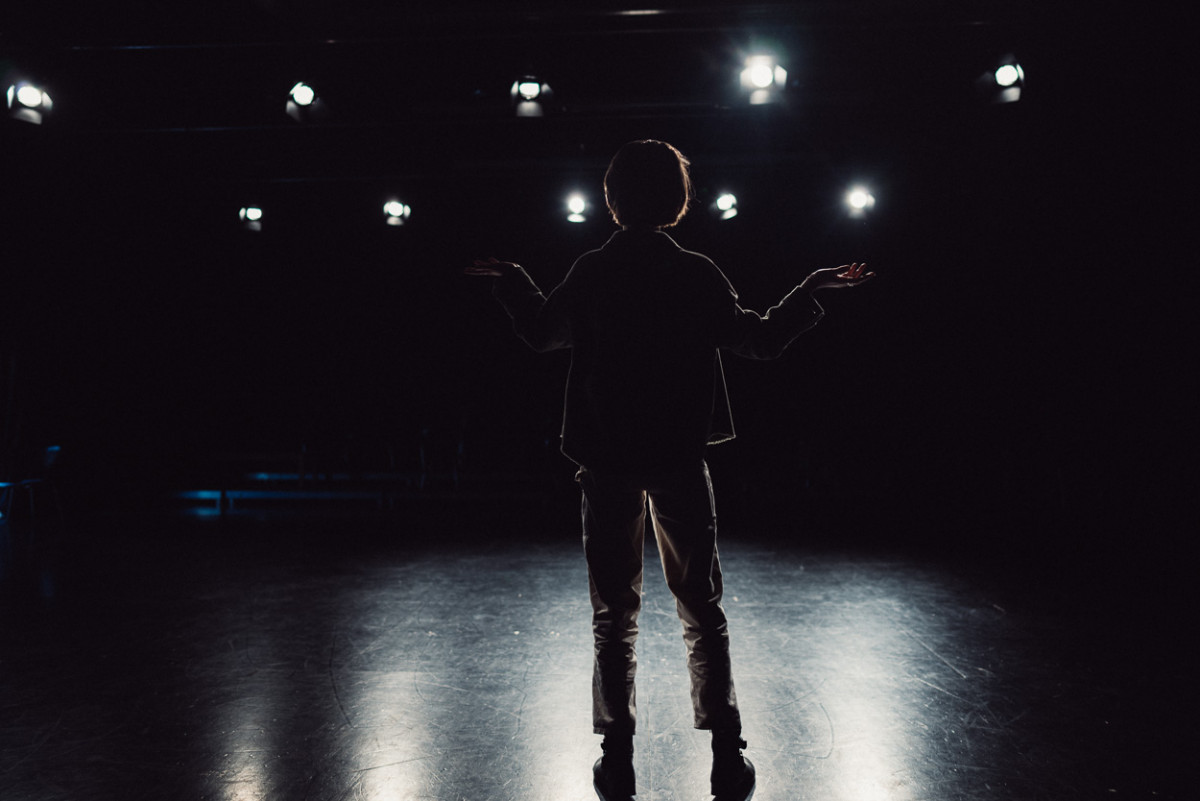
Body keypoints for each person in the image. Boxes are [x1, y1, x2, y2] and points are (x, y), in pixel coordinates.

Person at [466, 140, 873, 801]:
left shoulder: (594, 270)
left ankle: (618, 754)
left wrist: (514, 280)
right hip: (679, 456)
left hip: (606, 459)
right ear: (678, 200)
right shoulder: (697, 272)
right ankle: (725, 754)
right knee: (701, 606)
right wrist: (808, 290)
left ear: (612, 197)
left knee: (613, 611)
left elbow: (541, 332)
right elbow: (760, 339)